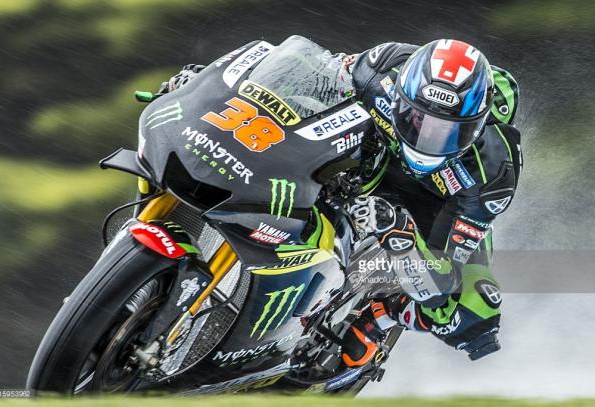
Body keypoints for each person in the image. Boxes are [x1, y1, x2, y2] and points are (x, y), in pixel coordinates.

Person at [156, 37, 522, 364]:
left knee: (470, 313)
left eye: (448, 132)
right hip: (373, 156)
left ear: (477, 126)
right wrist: (210, 85)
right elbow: (308, 74)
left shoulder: (493, 174)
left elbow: (443, 278)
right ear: (401, 96)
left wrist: (402, 236)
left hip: (437, 205)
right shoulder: (383, 67)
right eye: (416, 119)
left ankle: (382, 314)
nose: (427, 138)